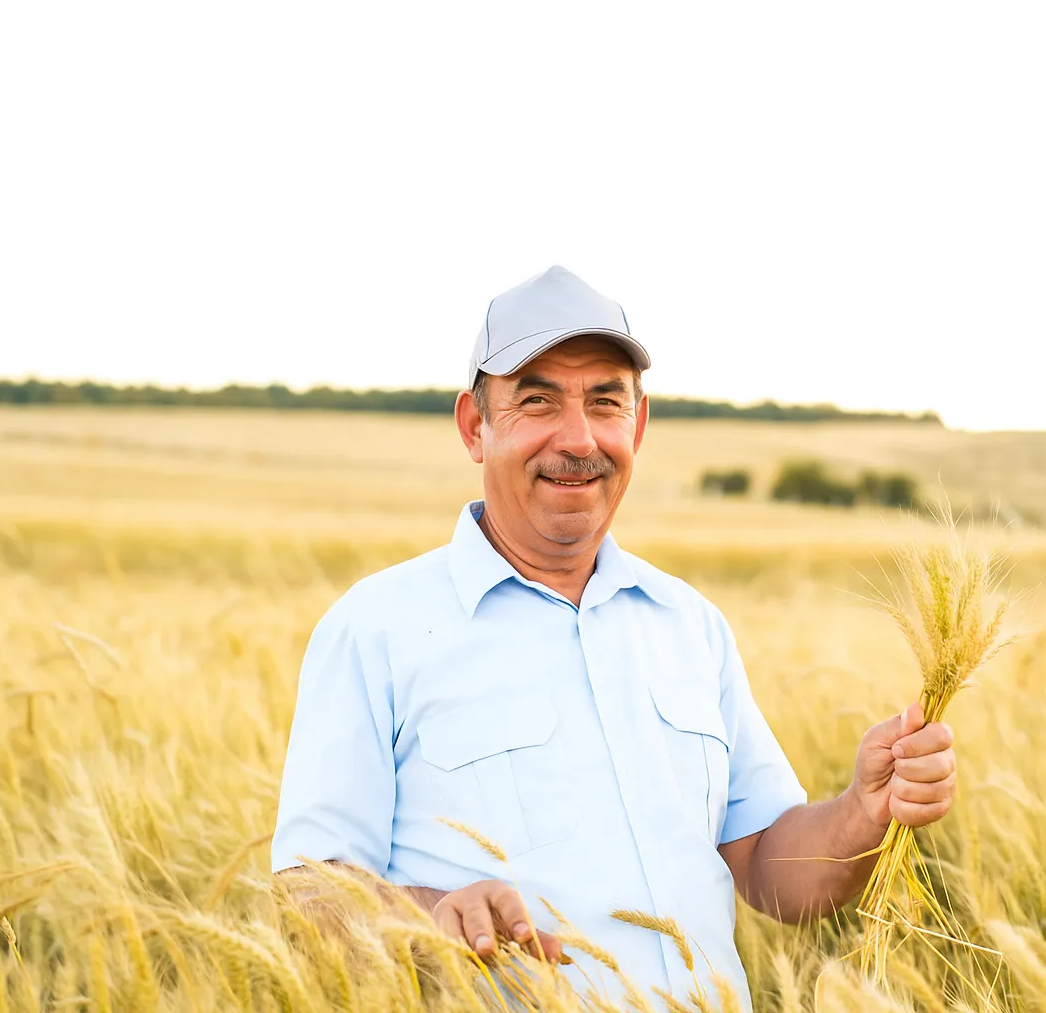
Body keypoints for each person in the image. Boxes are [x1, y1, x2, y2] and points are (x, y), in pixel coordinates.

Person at [270, 266, 959, 1007]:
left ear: (638, 424)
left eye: (606, 402)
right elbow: (309, 896)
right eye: (537, 400)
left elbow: (766, 864)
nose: (579, 439)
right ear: (475, 426)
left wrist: (863, 810)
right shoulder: (374, 629)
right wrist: (431, 916)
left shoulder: (690, 625)